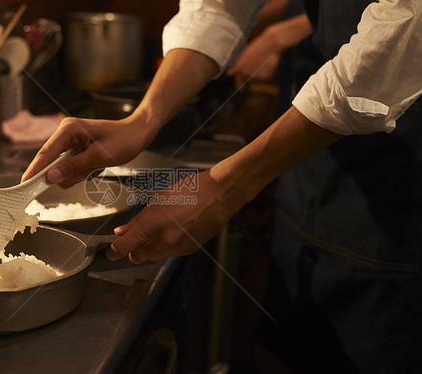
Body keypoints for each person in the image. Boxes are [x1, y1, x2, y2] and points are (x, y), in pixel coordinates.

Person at [22, 1, 422, 372]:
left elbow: (399, 38)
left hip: (405, 182)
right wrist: (143, 119)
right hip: (311, 160)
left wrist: (227, 184)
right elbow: (220, 5)